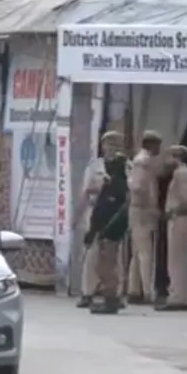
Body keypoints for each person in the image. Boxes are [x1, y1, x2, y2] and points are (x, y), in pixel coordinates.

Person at [84, 143, 129, 315]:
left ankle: (110, 300)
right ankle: (111, 298)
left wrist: (97, 230)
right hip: (106, 231)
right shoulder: (115, 183)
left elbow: (105, 211)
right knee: (104, 266)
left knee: (106, 267)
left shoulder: (117, 185)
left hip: (109, 232)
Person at [75, 132, 117, 308]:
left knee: (114, 257)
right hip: (95, 212)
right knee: (91, 254)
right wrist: (77, 216)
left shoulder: (124, 165)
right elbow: (86, 191)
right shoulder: (94, 166)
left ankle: (113, 294)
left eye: (115, 144)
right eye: (108, 143)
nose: (111, 147)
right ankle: (87, 293)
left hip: (115, 215)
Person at [155, 145, 187, 312]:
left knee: (177, 260)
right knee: (178, 260)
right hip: (178, 219)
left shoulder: (182, 174)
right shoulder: (181, 174)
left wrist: (173, 210)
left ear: (177, 157)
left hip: (180, 219)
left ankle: (178, 297)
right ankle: (178, 295)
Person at [126, 131, 164, 305]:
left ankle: (134, 289)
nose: (159, 149)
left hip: (137, 210)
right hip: (142, 211)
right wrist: (150, 207)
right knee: (146, 253)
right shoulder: (144, 162)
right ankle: (148, 292)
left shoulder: (139, 161)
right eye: (158, 145)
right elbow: (139, 187)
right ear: (151, 144)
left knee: (136, 252)